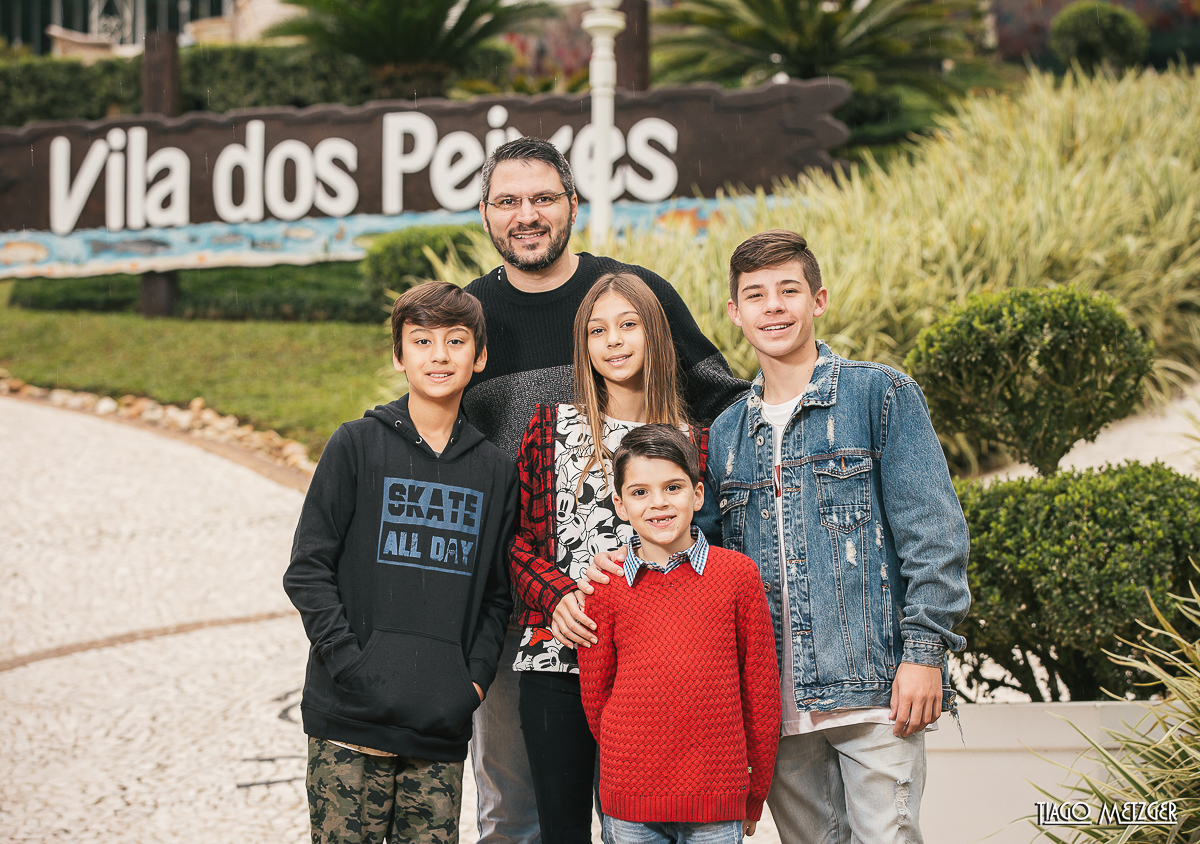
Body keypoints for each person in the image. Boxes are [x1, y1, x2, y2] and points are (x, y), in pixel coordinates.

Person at [581, 230, 971, 843]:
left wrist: (924, 654)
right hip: (774, 704)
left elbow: (935, 536)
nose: (773, 307)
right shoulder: (726, 432)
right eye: (755, 295)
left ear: (818, 300)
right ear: (735, 313)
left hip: (872, 687)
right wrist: (615, 564)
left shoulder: (879, 395)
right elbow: (696, 554)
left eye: (789, 290)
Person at [464, 136, 748, 844]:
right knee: (514, 810)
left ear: (572, 204)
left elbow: (723, 402)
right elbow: (441, 441)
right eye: (508, 201)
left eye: (542, 198)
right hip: (520, 610)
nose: (526, 215)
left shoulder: (631, 294)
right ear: (485, 212)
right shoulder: (470, 316)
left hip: (651, 615)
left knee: (636, 807)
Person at [284, 282, 518, 844]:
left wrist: (471, 683)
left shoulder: (494, 471)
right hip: (349, 721)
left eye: (455, 341)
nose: (439, 355)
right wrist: (350, 664)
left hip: (438, 726)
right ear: (399, 355)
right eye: (422, 341)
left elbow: (497, 593)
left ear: (479, 357)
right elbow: (308, 568)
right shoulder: (356, 445)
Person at [508, 272, 712, 844]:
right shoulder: (551, 427)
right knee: (562, 831)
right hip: (559, 658)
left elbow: (706, 554)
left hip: (650, 669)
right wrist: (556, 597)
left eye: (628, 325)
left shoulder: (693, 440)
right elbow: (518, 542)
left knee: (641, 830)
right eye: (597, 331)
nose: (614, 341)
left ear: (655, 336)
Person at [577, 424, 781, 844]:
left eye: (673, 487)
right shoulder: (605, 585)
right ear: (620, 504)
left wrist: (755, 792)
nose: (658, 503)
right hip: (630, 802)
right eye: (640, 492)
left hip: (717, 799)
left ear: (698, 494)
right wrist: (631, 760)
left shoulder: (738, 576)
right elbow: (596, 696)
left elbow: (760, 694)